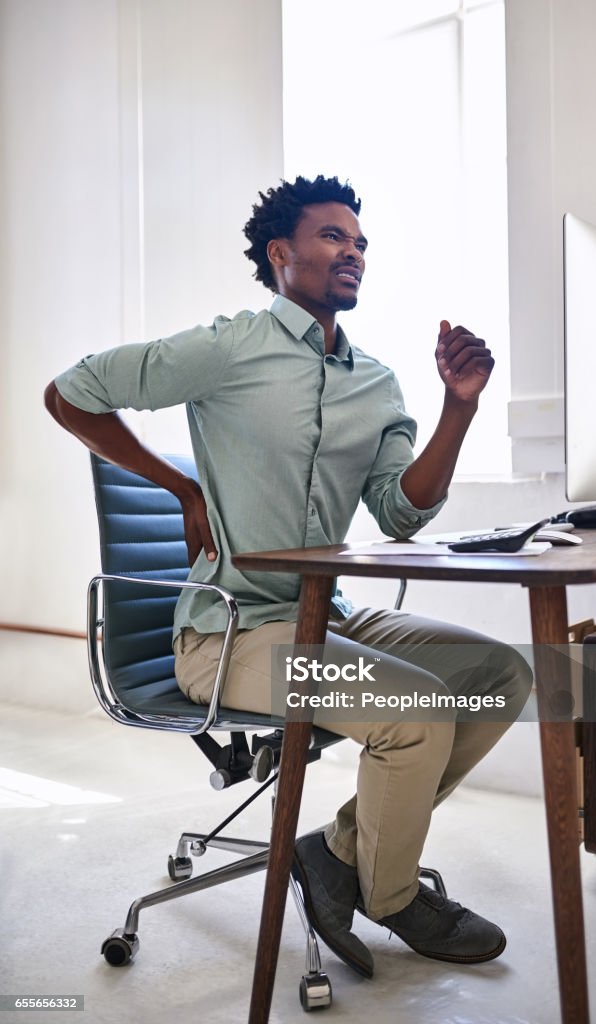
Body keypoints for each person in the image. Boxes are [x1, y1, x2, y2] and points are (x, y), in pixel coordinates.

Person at [45, 174, 532, 980]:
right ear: (282, 255)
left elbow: (400, 513)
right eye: (333, 238)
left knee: (500, 673)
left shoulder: (374, 381)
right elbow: (71, 393)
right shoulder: (228, 347)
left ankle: (337, 854)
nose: (354, 253)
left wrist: (459, 409)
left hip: (326, 615)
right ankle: (391, 895)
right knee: (412, 710)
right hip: (229, 635)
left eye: (361, 243)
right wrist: (179, 485)